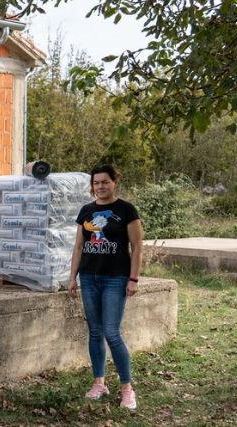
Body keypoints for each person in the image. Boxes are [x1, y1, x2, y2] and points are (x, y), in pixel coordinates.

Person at [67, 164, 144, 411]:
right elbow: (79, 246)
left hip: (115, 278)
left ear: (114, 182)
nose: (100, 186)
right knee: (95, 332)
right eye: (96, 183)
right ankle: (99, 383)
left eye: (104, 182)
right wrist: (72, 277)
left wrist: (133, 279)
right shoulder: (86, 211)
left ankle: (127, 389)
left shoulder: (126, 210)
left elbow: (137, 247)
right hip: (89, 278)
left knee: (112, 332)